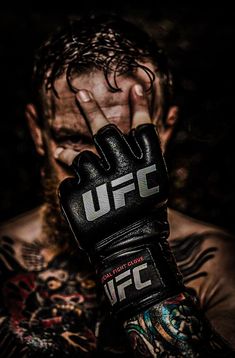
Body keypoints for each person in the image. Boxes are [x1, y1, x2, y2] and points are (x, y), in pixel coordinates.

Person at [0, 13, 235, 357]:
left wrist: (131, 251)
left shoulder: (218, 263)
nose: (95, 168)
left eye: (123, 144)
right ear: (37, 131)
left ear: (164, 132)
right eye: (73, 140)